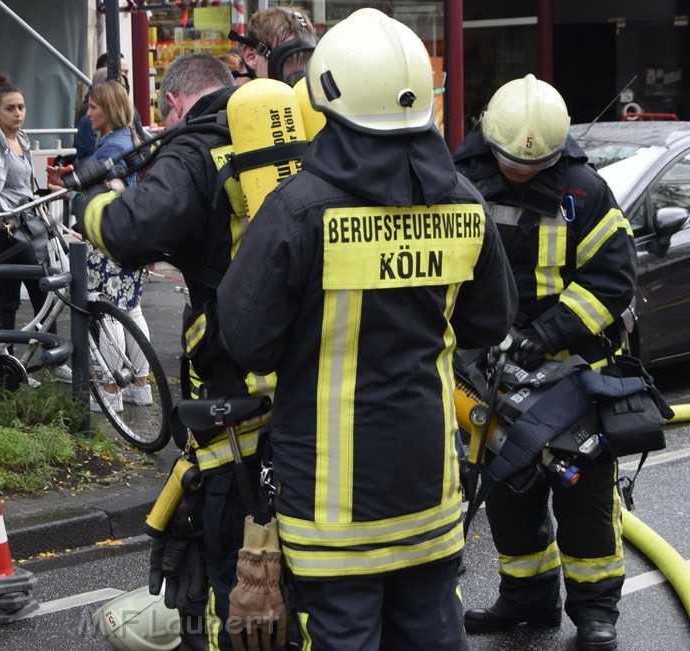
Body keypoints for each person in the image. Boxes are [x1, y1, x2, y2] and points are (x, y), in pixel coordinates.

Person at [217, 8, 517, 648]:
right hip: (428, 491)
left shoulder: (297, 210)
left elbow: (246, 339)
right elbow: (490, 320)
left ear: (327, 97)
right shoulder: (465, 201)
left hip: (331, 510)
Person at [71, 52, 262, 650]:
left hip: (232, 377)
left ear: (176, 103)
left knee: (230, 556)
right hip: (296, 375)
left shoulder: (196, 145)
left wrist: (89, 203)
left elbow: (134, 231)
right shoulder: (277, 142)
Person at [454, 75, 637, 651]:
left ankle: (596, 618)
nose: (520, 171)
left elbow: (611, 282)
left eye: (532, 165)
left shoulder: (583, 191)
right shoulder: (460, 182)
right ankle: (526, 600)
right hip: (493, 377)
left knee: (585, 504)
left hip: (575, 378)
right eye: (510, 161)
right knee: (511, 495)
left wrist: (544, 333)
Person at [0, 75, 71, 382]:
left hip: (29, 224)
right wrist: (1, 213)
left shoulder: (22, 138)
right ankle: (9, 366)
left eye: (21, 107)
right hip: (7, 228)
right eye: (11, 109)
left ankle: (50, 360)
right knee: (13, 297)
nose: (18, 113)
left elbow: (25, 183)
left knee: (44, 291)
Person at [82, 80, 150, 412]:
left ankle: (110, 389)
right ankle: (141, 383)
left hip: (107, 234)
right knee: (131, 308)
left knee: (107, 311)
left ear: (108, 109)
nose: (88, 113)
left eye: (94, 107)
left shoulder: (110, 147)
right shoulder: (130, 138)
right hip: (130, 232)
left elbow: (103, 195)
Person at [75, 53, 149, 161]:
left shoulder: (113, 147)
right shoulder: (116, 139)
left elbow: (145, 150)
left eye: (126, 73)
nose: (120, 90)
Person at [229, 5, 317, 86]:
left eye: (309, 62)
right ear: (251, 56)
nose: (302, 76)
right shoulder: (221, 102)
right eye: (291, 59)